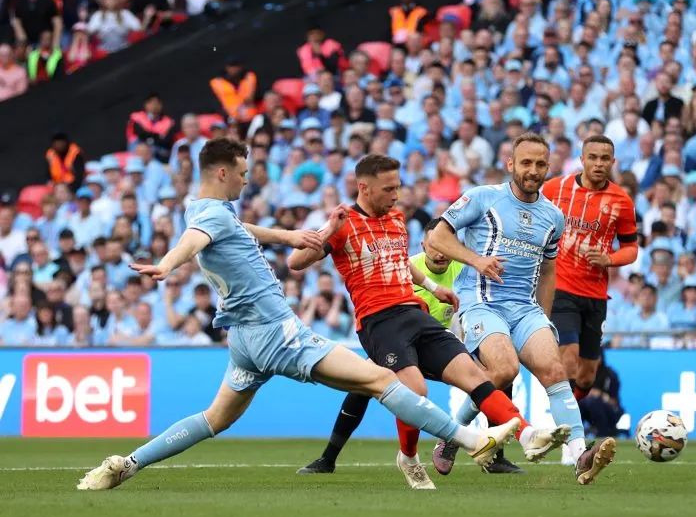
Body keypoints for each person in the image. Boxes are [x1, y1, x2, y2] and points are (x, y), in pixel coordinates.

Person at [77, 139, 518, 491]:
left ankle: (127, 464)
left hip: (244, 342)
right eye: (244, 174)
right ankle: (471, 439)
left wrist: (289, 235)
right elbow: (194, 240)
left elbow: (234, 227)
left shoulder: (204, 207)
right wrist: (169, 263)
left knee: (215, 419)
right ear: (223, 172)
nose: (247, 182)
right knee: (382, 380)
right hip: (277, 334)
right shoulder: (206, 218)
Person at [288, 157, 567, 488]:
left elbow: (402, 265)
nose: (396, 195)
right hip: (377, 321)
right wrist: (327, 230)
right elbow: (295, 261)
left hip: (413, 312)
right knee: (414, 389)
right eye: (389, 188)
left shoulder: (396, 218)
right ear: (364, 188)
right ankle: (408, 457)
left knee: (475, 376)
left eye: (398, 187)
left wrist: (436, 288)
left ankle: (528, 434)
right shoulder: (343, 223)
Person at [426, 133, 617, 486]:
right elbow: (436, 238)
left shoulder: (552, 217)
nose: (533, 170)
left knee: (555, 370)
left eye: (540, 164)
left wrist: (543, 317)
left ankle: (579, 455)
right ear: (510, 164)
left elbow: (548, 271)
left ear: (549, 167)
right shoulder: (484, 197)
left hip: (525, 309)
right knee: (503, 370)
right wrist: (476, 260)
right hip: (482, 302)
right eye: (526, 163)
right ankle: (453, 435)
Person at [541, 135, 638, 401]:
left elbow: (631, 248)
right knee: (568, 358)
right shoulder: (554, 189)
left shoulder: (621, 201)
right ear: (582, 159)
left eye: (604, 158)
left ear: (612, 162)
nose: (598, 163)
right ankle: (569, 433)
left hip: (595, 295)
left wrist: (610, 260)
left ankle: (571, 416)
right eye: (592, 157)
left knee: (586, 375)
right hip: (560, 288)